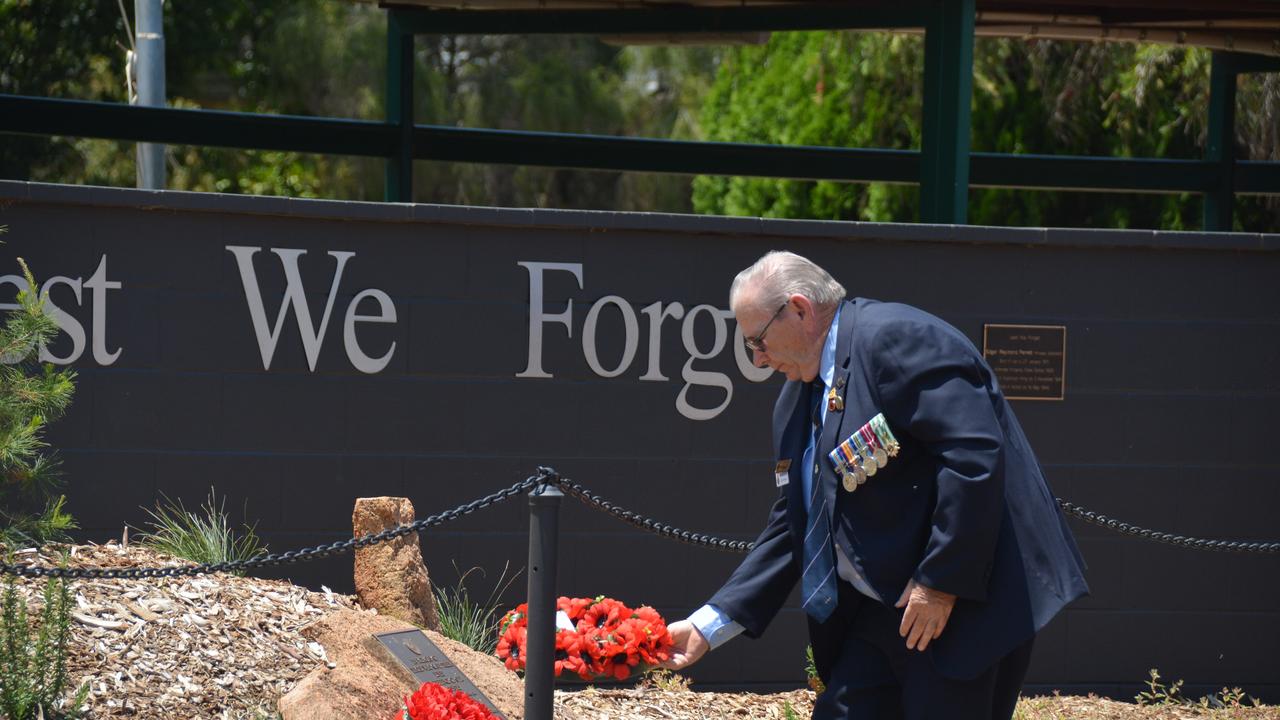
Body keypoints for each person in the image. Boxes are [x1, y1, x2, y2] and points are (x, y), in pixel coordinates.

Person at [661, 251, 1088, 720]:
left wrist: (938, 584)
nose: (758, 359)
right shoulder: (796, 400)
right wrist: (708, 625)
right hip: (882, 612)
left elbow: (974, 459)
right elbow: (794, 524)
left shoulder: (896, 339)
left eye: (757, 341)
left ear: (800, 310)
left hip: (961, 605)